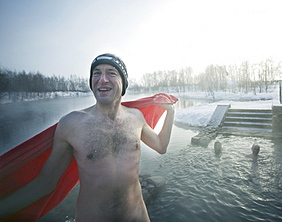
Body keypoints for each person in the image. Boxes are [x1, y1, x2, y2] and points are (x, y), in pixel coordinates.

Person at [0, 54, 176, 221]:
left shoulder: (136, 118)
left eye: (111, 73)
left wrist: (170, 111)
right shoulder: (71, 124)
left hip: (137, 216)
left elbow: (161, 146)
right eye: (96, 74)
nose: (102, 79)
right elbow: (45, 184)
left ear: (123, 82)